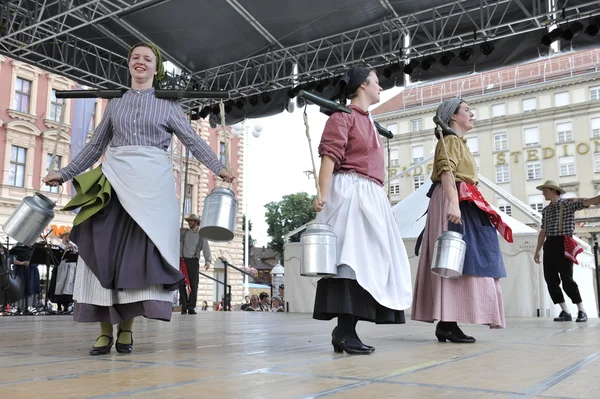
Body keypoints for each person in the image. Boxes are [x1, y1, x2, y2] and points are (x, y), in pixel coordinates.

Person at [42, 42, 234, 356]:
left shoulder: (168, 105)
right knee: (106, 253)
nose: (140, 62)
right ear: (129, 65)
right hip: (115, 181)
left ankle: (127, 330)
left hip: (152, 188)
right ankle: (104, 332)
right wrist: (64, 173)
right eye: (135, 58)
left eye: (147, 59)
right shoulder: (115, 104)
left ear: (156, 69)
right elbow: (94, 147)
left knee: (136, 260)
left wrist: (219, 167)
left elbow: (192, 141)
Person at [312, 67, 413, 355]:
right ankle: (344, 331)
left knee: (368, 262)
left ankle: (347, 331)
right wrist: (321, 192)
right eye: (377, 82)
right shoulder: (342, 116)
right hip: (351, 192)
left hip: (369, 194)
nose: (381, 87)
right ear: (362, 85)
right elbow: (329, 155)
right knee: (351, 261)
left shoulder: (368, 121)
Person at [412, 98, 512, 343]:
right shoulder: (450, 141)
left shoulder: (457, 142)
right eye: (467, 110)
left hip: (462, 199)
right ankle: (447, 323)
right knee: (455, 256)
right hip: (454, 199)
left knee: (464, 257)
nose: (472, 114)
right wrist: (453, 203)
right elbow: (447, 172)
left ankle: (447, 322)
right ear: (453, 117)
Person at [533, 180, 600, 322]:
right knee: (551, 280)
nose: (543, 193)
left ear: (552, 190)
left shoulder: (568, 204)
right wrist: (537, 250)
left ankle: (581, 310)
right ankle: (565, 311)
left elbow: (588, 202)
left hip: (564, 242)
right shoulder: (546, 210)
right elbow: (543, 230)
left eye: (545, 190)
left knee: (567, 279)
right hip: (549, 244)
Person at [179, 214, 212, 315]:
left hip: (193, 261)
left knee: (193, 285)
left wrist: (208, 261)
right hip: (183, 260)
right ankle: (184, 306)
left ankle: (191, 307)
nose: (189, 222)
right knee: (181, 284)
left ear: (196, 222)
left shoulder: (201, 235)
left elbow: (206, 248)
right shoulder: (184, 232)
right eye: (189, 221)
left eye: (191, 221)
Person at [48, 232, 78, 313]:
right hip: (62, 267)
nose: (67, 238)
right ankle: (58, 306)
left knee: (69, 285)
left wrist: (73, 249)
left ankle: (66, 305)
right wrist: (66, 249)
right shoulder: (58, 246)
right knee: (60, 285)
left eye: (69, 237)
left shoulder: (74, 245)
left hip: (71, 267)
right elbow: (57, 257)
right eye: (66, 237)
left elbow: (77, 256)